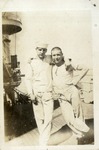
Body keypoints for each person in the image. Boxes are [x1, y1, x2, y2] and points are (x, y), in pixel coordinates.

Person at [51, 47, 90, 137]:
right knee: (68, 119)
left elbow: (85, 68)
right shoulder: (52, 67)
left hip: (72, 92)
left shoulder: (68, 65)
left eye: (58, 54)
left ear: (62, 55)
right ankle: (85, 132)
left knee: (78, 115)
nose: (56, 57)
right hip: (61, 96)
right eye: (54, 55)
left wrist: (77, 79)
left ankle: (80, 136)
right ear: (51, 56)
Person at [25, 42, 53, 146]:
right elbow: (28, 79)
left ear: (46, 50)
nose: (42, 52)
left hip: (48, 93)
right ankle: (44, 141)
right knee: (40, 118)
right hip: (36, 94)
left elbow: (62, 58)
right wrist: (30, 94)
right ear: (36, 49)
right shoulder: (31, 62)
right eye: (39, 49)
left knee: (49, 118)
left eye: (44, 50)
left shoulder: (50, 59)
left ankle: (42, 142)